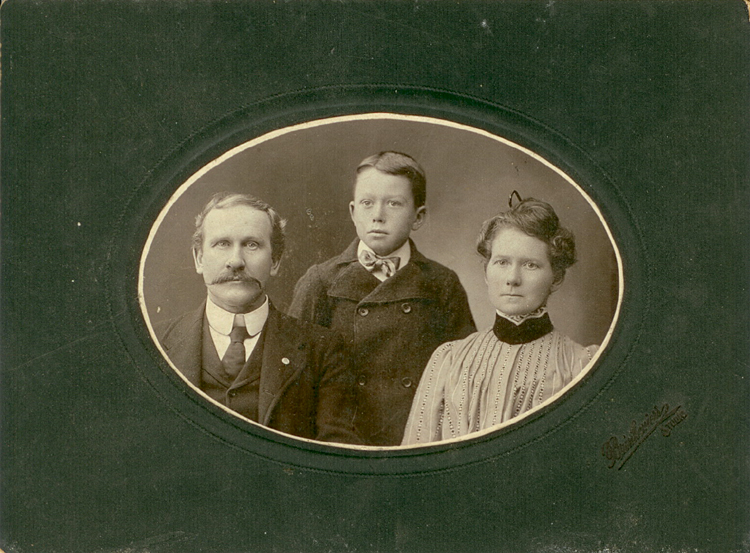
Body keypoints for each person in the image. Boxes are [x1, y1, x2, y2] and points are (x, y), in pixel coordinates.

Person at [288, 151, 476, 446]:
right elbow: (294, 377)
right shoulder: (321, 282)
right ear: (353, 212)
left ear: (418, 217)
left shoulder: (441, 284)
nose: (378, 215)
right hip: (342, 441)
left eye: (393, 203)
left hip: (417, 438)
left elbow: (463, 375)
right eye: (367, 203)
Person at [156, 192, 360, 444]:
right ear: (199, 259)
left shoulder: (322, 350)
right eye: (222, 244)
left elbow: (338, 449)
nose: (236, 261)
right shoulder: (157, 341)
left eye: (252, 244)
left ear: (275, 261)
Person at [402, 194, 599, 445]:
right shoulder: (448, 360)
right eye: (502, 262)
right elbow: (417, 455)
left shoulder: (580, 365)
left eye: (530, 265)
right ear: (486, 272)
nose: (512, 279)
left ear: (556, 277)